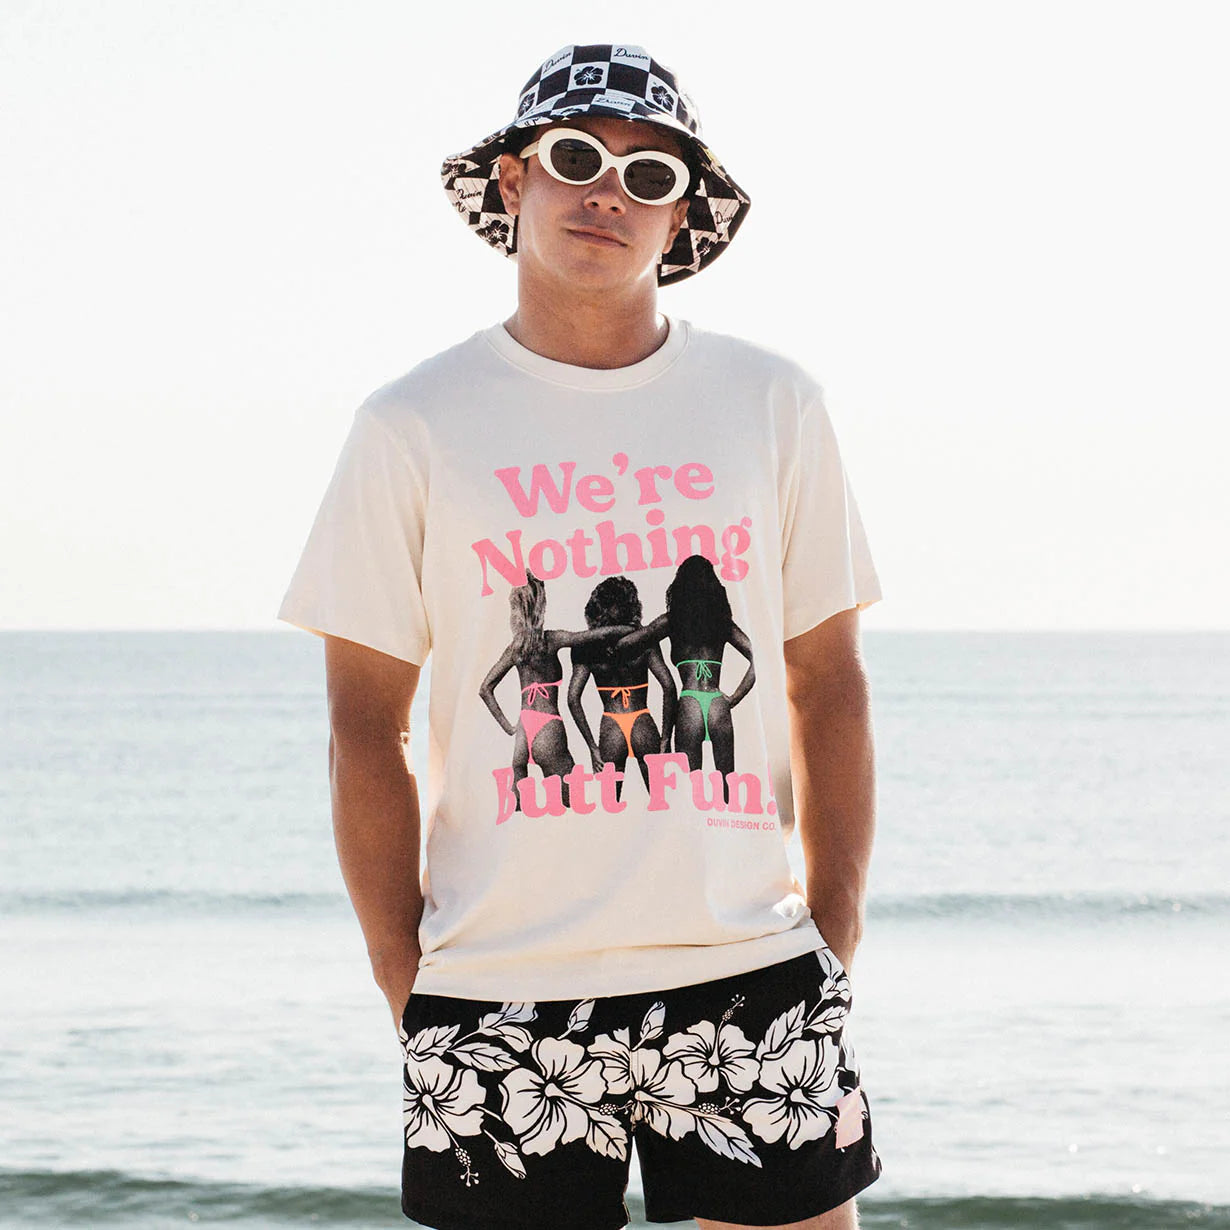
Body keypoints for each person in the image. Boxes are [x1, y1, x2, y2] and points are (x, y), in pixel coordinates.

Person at [279, 42, 884, 1230]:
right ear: (514, 183)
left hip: (746, 965)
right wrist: (405, 975)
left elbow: (828, 682)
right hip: (495, 983)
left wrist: (835, 928)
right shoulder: (413, 424)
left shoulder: (773, 404)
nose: (608, 191)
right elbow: (365, 723)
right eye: (574, 158)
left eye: (649, 174)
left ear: (680, 217)